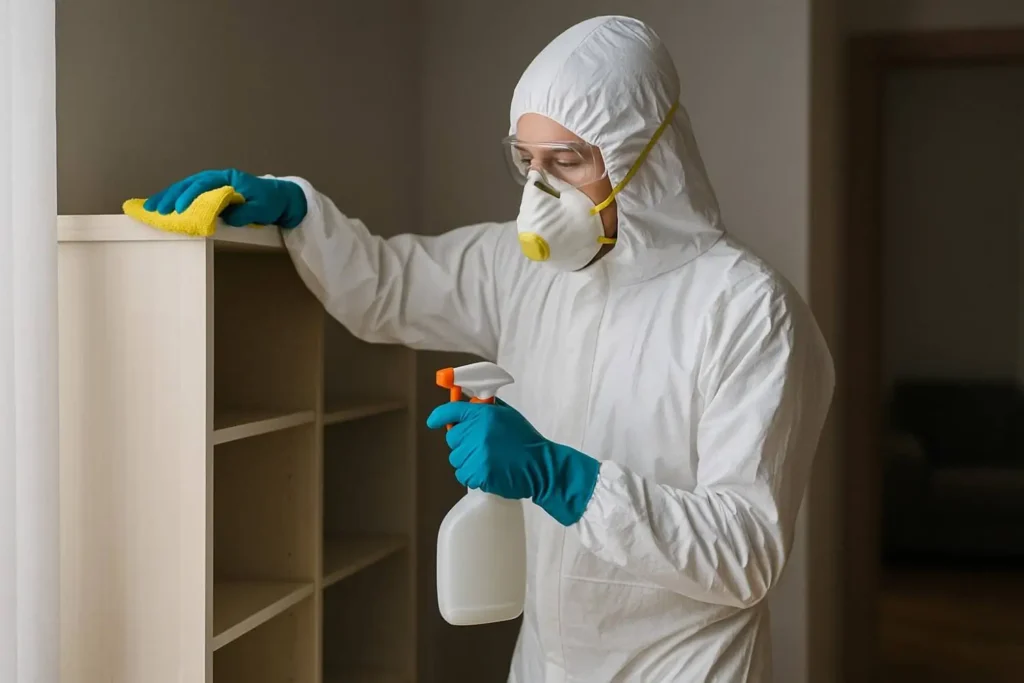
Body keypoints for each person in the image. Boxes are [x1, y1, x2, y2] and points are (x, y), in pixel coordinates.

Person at [144, 15, 834, 683]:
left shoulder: (746, 310)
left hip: (683, 666)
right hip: (545, 661)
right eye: (527, 161)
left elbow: (744, 552)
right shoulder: (520, 267)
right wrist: (299, 210)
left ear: (643, 160)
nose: (539, 190)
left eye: (567, 161)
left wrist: (562, 477)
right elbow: (390, 285)